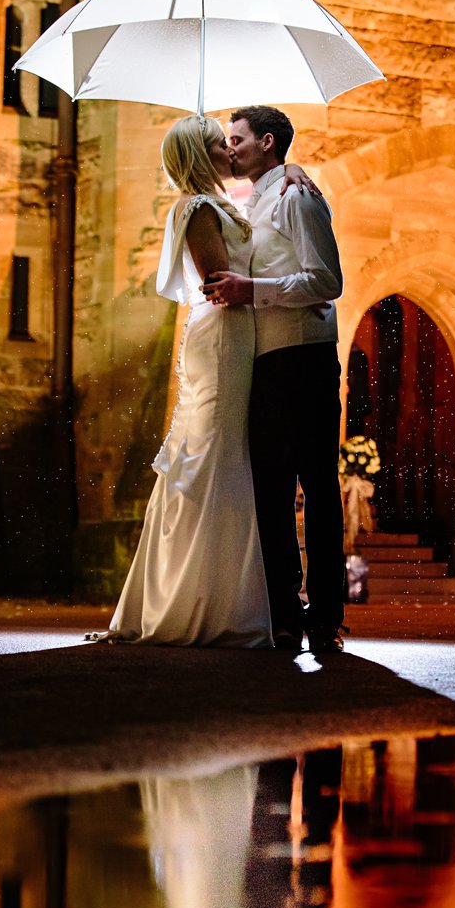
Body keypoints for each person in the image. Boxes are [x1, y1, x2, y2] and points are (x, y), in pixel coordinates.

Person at [106, 114, 315, 646]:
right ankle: (208, 600)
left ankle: (223, 590)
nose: (228, 148)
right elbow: (221, 284)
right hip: (226, 337)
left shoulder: (221, 203)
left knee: (227, 453)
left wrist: (290, 170)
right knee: (217, 452)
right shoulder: (198, 208)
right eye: (218, 142)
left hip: (237, 334)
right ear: (202, 155)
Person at [201, 106, 346, 653]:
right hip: (265, 363)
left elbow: (326, 279)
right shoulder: (257, 200)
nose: (230, 148)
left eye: (237, 139)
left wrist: (251, 289)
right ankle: (284, 613)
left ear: (267, 143)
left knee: (319, 488)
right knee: (271, 490)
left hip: (305, 361)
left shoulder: (296, 197)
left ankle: (326, 615)